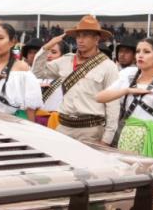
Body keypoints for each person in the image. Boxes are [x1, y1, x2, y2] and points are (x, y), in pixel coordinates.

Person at [31, 16, 125, 146]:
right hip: (63, 126)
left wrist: (106, 139)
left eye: (85, 36)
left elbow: (113, 105)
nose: (80, 40)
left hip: (90, 131)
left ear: (96, 39)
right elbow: (37, 72)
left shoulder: (108, 66)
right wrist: (47, 47)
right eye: (78, 36)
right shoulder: (66, 60)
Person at [97, 37, 153, 165]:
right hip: (129, 138)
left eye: (146, 52)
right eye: (138, 51)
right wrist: (127, 91)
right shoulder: (127, 75)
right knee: (128, 181)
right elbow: (99, 97)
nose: (140, 55)